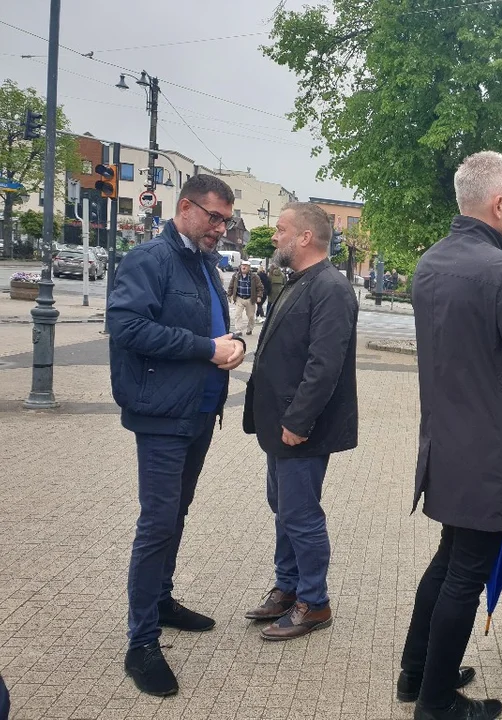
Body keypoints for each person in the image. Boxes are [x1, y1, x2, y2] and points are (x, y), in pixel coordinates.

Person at [397, 151, 502, 720]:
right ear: (497, 203)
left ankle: (418, 672)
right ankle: (436, 703)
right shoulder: (500, 269)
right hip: (489, 451)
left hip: (445, 443)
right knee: (465, 573)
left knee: (448, 561)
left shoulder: (431, 262)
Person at [108, 174, 246, 697]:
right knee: (158, 522)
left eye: (226, 221)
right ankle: (140, 642)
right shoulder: (151, 259)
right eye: (214, 218)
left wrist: (228, 344)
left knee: (175, 516)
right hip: (162, 414)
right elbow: (127, 328)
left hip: (198, 412)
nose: (220, 228)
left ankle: (161, 601)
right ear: (185, 208)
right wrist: (206, 348)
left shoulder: (204, 262)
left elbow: (206, 329)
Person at [242, 203, 359, 641]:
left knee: (301, 514)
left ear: (305, 237)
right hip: (281, 426)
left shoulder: (330, 287)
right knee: (284, 510)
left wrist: (299, 420)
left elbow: (324, 365)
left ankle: (315, 602)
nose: (275, 236)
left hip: (300, 429)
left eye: (282, 228)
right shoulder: (299, 281)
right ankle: (288, 588)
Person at [227, 260, 263, 335]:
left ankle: (250, 328)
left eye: (246, 266)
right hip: (239, 298)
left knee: (250, 316)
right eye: (243, 265)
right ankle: (238, 330)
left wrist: (259, 296)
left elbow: (260, 287)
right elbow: (231, 286)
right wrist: (229, 295)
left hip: (250, 299)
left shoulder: (254, 277)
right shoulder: (236, 276)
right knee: (238, 314)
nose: (244, 267)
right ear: (240, 266)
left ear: (249, 267)